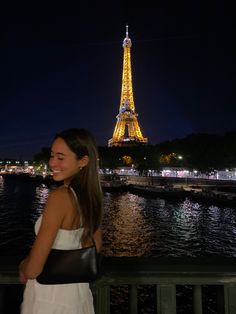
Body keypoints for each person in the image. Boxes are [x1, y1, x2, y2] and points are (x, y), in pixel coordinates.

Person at [19, 128, 103, 314]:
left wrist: (23, 265)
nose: (52, 163)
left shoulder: (60, 197)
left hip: (51, 299)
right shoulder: (91, 197)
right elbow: (95, 248)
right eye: (51, 155)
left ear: (83, 161)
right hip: (79, 296)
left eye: (60, 157)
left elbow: (32, 270)